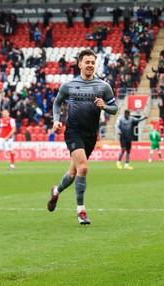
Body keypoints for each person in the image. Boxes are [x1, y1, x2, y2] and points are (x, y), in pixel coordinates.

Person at [47, 49, 118, 225]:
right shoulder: (68, 85)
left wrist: (105, 107)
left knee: (74, 172)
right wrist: (56, 121)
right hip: (73, 132)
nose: (90, 65)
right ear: (80, 64)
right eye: (87, 62)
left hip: (91, 134)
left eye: (93, 62)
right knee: (84, 168)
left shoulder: (103, 86)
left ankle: (56, 191)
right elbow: (57, 102)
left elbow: (114, 108)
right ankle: (81, 211)